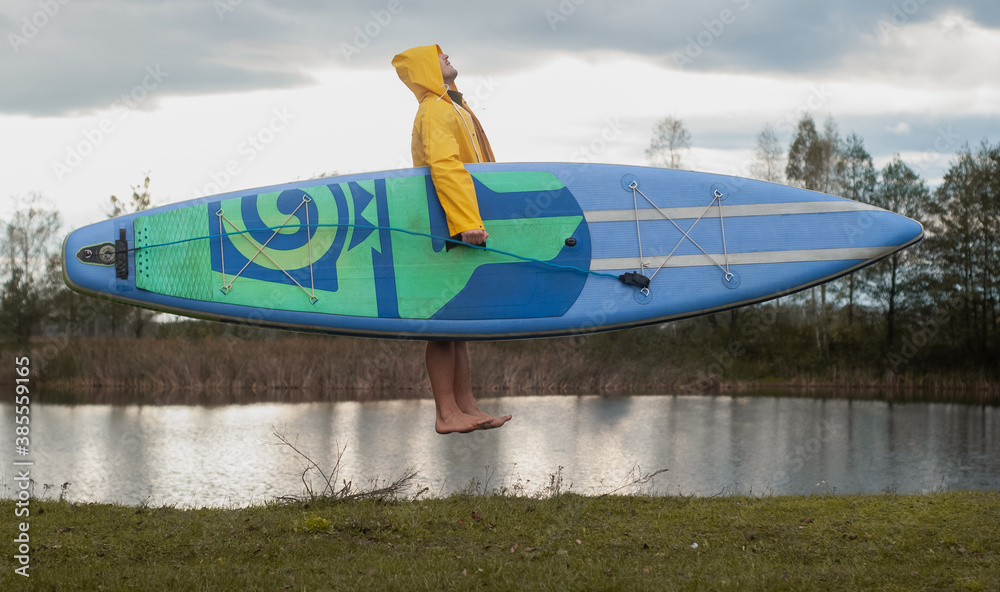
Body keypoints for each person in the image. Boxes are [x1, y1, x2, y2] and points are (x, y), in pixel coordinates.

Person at [392, 44, 512, 434]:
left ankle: (466, 406)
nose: (447, 57)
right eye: (438, 55)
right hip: (447, 226)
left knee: (458, 325)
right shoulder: (434, 110)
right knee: (443, 324)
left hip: (461, 223)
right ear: (427, 68)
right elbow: (445, 167)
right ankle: (446, 414)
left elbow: (480, 169)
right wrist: (465, 222)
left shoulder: (455, 106)